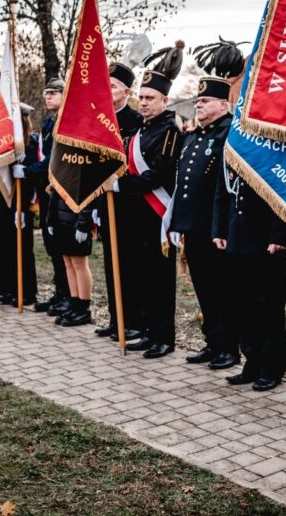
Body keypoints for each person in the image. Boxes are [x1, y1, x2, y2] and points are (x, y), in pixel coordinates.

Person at [168, 39, 244, 370]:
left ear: (224, 105)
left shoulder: (228, 134)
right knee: (203, 290)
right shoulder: (196, 136)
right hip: (193, 226)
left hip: (215, 228)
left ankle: (228, 348)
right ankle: (212, 343)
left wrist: (218, 227)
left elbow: (224, 189)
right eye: (197, 100)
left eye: (206, 100)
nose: (198, 105)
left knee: (223, 292)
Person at [115, 42, 183, 359]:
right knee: (143, 277)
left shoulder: (169, 130)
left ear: (165, 100)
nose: (143, 103)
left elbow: (157, 175)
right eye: (141, 98)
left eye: (150, 98)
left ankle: (164, 337)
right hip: (139, 215)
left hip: (160, 214)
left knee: (160, 280)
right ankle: (146, 331)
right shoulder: (142, 129)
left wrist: (119, 186)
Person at [213, 159, 286, 392]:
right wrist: (219, 229)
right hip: (236, 235)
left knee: (268, 307)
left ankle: (272, 366)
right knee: (242, 306)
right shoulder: (236, 141)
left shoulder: (273, 146)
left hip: (266, 240)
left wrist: (281, 234)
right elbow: (223, 188)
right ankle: (253, 361)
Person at [94, 62, 143, 339]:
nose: (108, 91)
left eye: (112, 86)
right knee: (111, 264)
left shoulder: (136, 121)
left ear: (127, 91)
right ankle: (116, 318)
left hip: (130, 202)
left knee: (129, 266)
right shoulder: (100, 118)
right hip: (105, 199)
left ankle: (132, 320)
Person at [0, 104, 38, 307]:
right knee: (7, 248)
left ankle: (26, 292)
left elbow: (31, 177)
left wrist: (22, 207)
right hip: (5, 203)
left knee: (23, 249)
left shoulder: (30, 143)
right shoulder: (6, 142)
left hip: (21, 202)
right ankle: (9, 287)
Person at [32, 78, 72, 314]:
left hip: (62, 189)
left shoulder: (67, 123)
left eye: (53, 93)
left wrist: (30, 170)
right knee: (51, 243)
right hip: (46, 189)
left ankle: (69, 294)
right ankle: (60, 292)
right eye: (46, 93)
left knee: (61, 244)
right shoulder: (48, 123)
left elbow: (54, 158)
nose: (48, 97)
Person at [46, 185, 95, 325]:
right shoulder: (62, 166)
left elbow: (88, 195)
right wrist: (50, 219)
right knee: (68, 263)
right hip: (61, 220)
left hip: (76, 221)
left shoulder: (80, 165)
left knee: (79, 264)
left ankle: (83, 308)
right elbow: (54, 193)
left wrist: (84, 223)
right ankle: (74, 303)